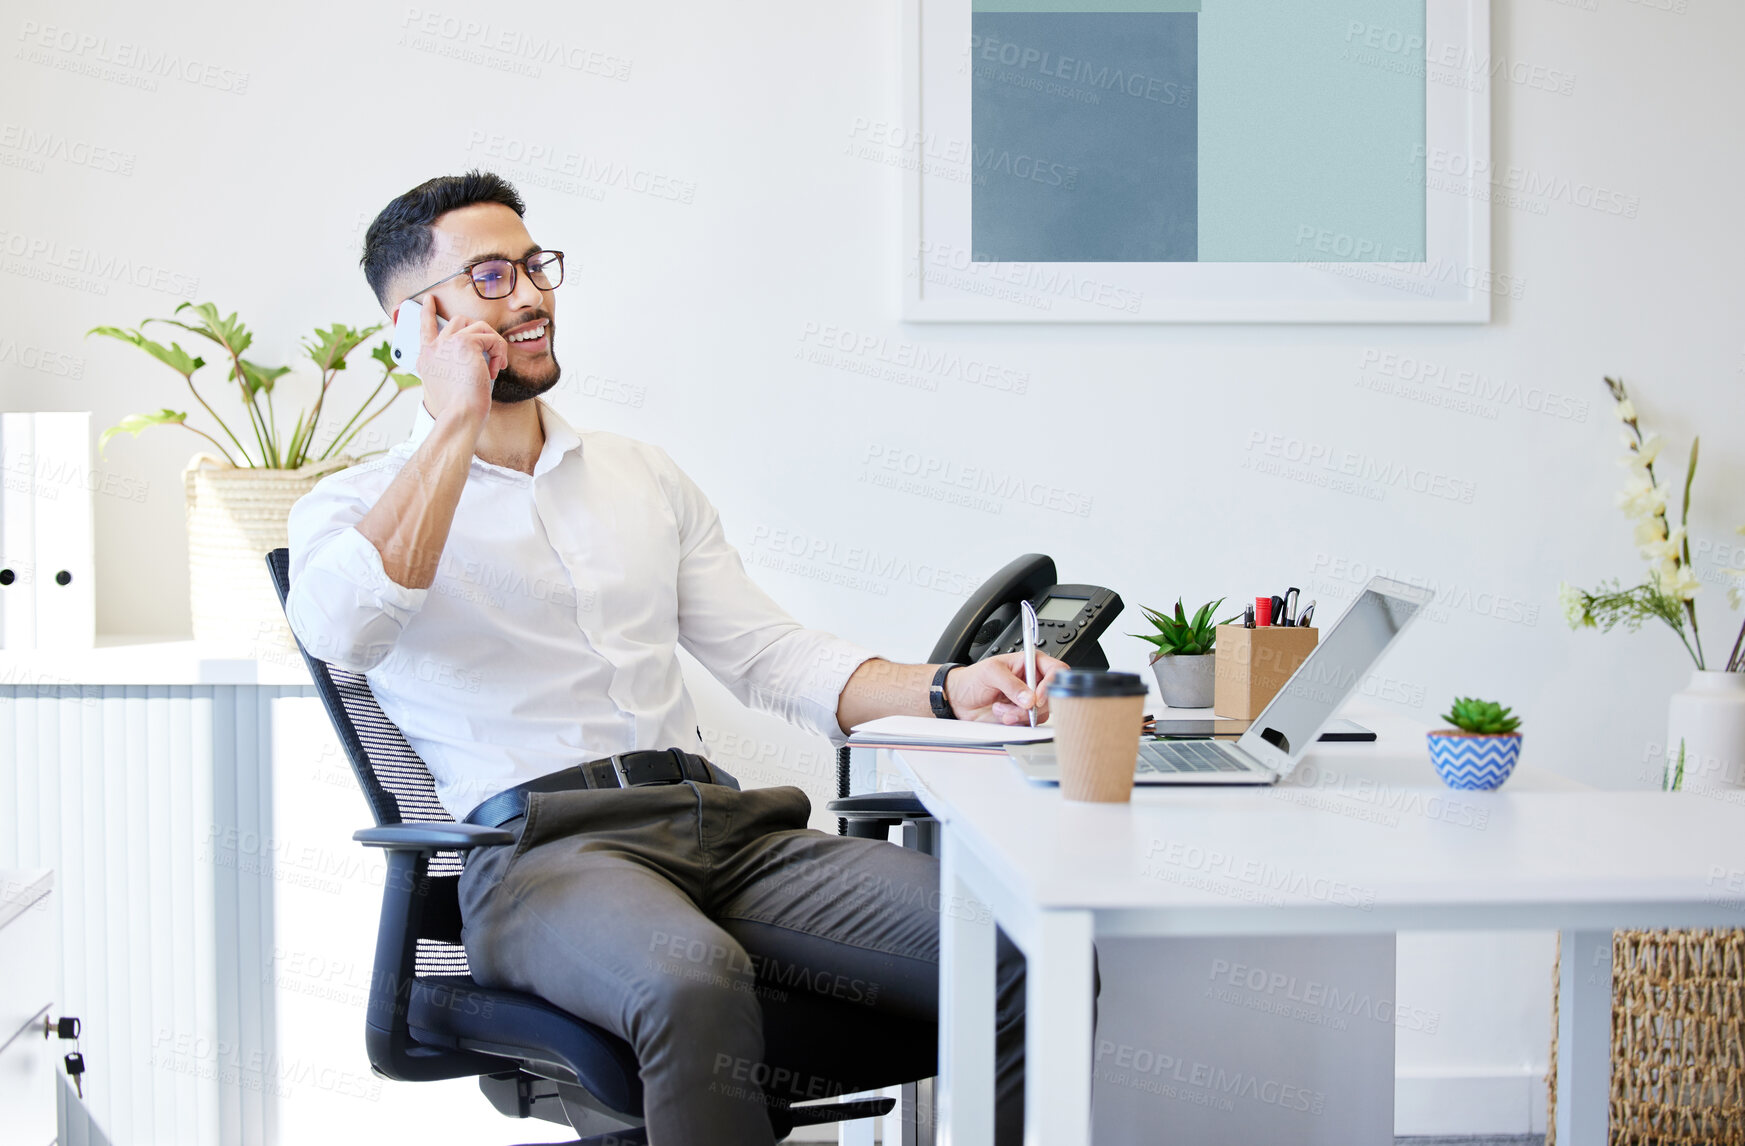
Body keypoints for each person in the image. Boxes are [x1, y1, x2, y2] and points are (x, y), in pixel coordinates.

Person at [285, 171, 1069, 1145]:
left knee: (1024, 945)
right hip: (544, 857)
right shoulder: (348, 509)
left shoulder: (638, 476)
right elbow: (343, 632)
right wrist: (453, 419)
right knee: (690, 980)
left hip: (726, 832)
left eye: (535, 267)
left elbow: (773, 658)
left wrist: (951, 688)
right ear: (414, 322)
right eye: (490, 276)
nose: (529, 296)